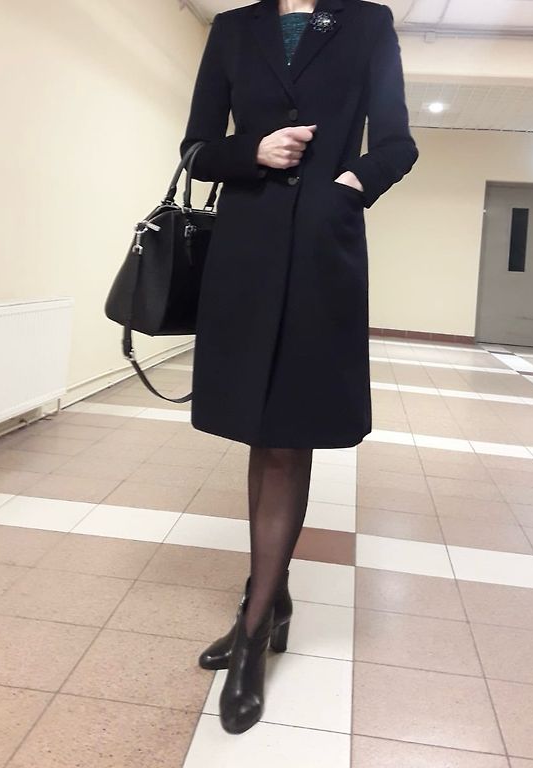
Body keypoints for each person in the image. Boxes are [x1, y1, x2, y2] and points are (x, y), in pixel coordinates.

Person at [179, 0, 418, 734]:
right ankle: (273, 595)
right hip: (245, 257)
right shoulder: (232, 29)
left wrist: (350, 186)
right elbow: (196, 150)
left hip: (321, 254)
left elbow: (398, 144)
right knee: (262, 432)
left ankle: (254, 629)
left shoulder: (368, 24)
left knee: (289, 437)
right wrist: (252, 152)